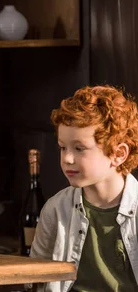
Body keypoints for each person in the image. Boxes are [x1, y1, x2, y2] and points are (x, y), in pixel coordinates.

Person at [31, 85, 138, 291]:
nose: (67, 158)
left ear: (118, 154)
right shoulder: (55, 209)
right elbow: (34, 278)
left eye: (79, 149)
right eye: (63, 147)